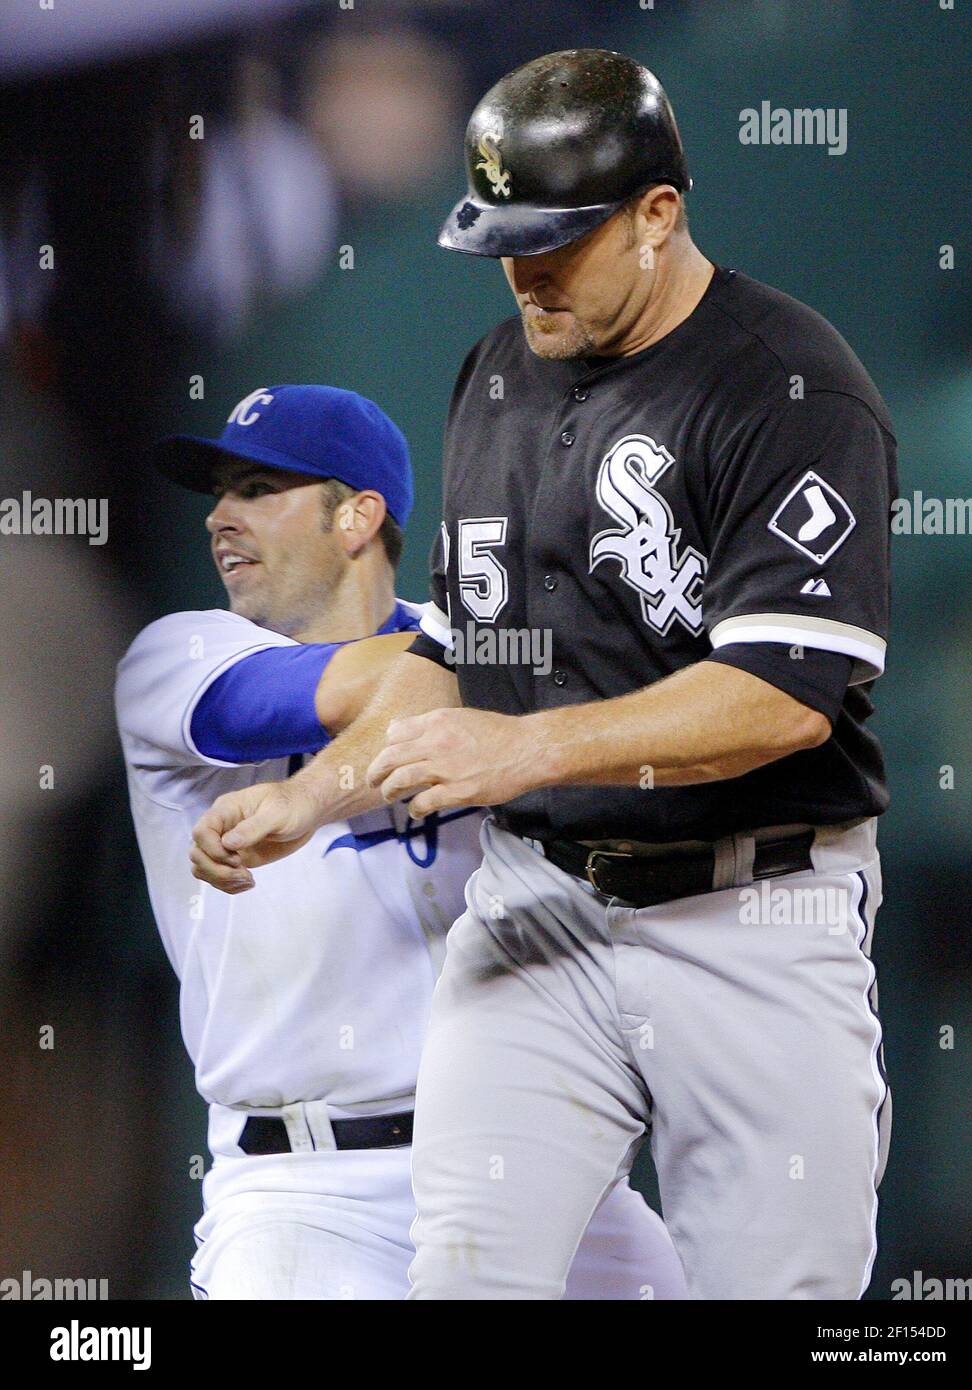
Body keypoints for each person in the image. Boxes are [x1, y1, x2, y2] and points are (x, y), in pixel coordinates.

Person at [191, 50, 896, 1301]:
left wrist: (526, 747)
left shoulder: (791, 384)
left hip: (753, 914)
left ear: (658, 217)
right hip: (539, 910)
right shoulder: (497, 376)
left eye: (557, 240)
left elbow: (786, 695)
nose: (524, 271)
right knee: (463, 1276)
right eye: (503, 239)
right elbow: (460, 659)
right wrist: (318, 795)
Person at [117, 382, 686, 1300]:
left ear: (358, 517)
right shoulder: (177, 656)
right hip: (308, 1191)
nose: (220, 516)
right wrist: (545, 629)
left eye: (261, 488)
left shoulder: (487, 652)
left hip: (529, 1162)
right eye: (220, 493)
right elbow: (342, 690)